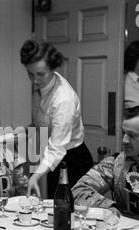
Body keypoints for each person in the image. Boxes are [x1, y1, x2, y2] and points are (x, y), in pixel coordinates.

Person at [19, 39, 93, 198]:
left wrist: (36, 176)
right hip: (57, 158)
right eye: (30, 74)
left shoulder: (63, 100)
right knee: (55, 208)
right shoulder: (42, 87)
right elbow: (42, 124)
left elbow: (57, 148)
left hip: (73, 160)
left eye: (40, 74)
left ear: (52, 68)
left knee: (67, 211)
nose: (35, 80)